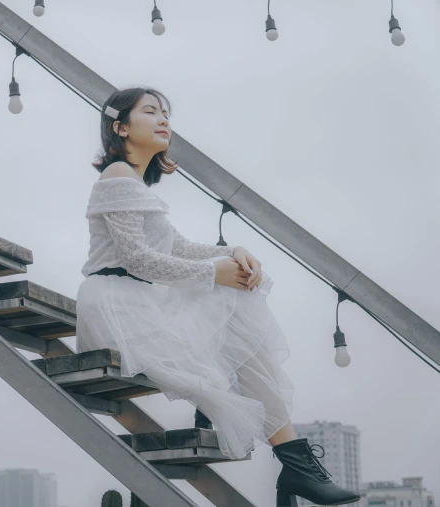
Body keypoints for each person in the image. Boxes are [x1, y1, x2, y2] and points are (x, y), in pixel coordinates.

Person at [76, 87, 361, 507]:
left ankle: (291, 460)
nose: (163, 120)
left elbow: (179, 249)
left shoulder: (136, 185)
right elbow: (138, 259)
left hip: (135, 301)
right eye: (150, 112)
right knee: (228, 297)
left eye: (166, 113)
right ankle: (294, 464)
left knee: (232, 291)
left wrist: (232, 253)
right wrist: (215, 274)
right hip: (115, 304)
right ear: (120, 127)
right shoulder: (118, 176)